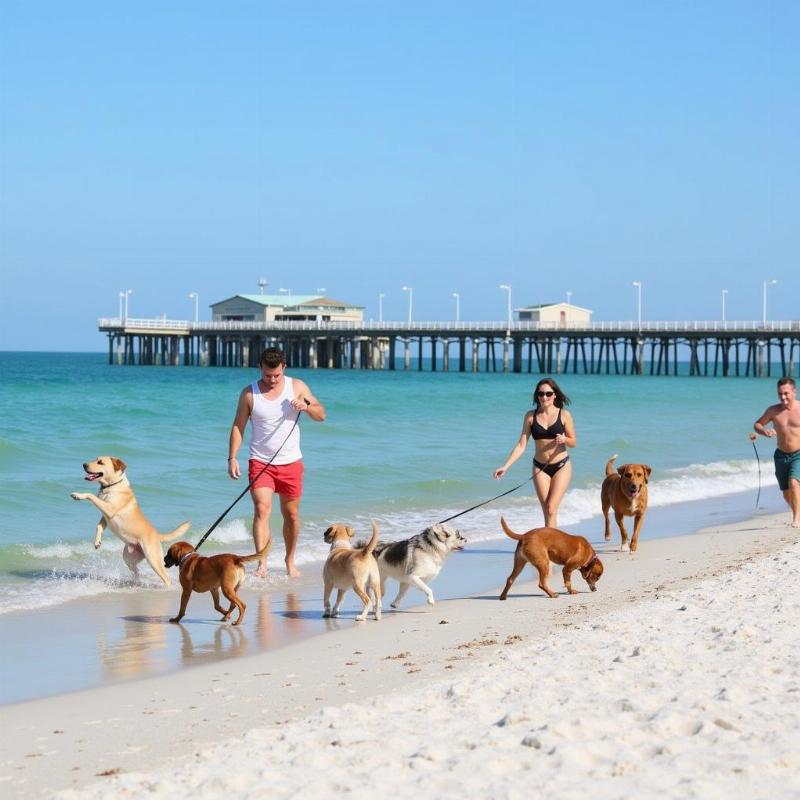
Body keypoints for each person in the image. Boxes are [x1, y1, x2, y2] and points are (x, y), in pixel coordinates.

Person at [228, 347, 325, 577]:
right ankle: (262, 564)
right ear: (260, 368)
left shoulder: (298, 387)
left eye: (276, 375)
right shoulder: (249, 394)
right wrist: (232, 457)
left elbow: (322, 415)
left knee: (290, 514)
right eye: (267, 375)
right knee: (262, 509)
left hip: (291, 462)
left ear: (284, 368)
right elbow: (238, 426)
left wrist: (307, 406)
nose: (272, 380)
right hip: (260, 461)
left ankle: (290, 561)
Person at [493, 377, 576, 528]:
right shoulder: (530, 416)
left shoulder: (564, 415)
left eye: (548, 394)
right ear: (537, 396)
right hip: (540, 468)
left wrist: (565, 439)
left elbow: (574, 442)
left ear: (555, 395)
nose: (544, 397)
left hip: (561, 466)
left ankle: (551, 547)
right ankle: (550, 546)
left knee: (551, 508)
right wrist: (505, 466)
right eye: (541, 394)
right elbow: (521, 445)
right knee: (547, 511)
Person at [753, 376, 800, 528]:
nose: (783, 397)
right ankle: (797, 512)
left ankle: (796, 520)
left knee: (794, 483)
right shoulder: (773, 410)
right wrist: (763, 432)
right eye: (780, 394)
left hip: (798, 454)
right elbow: (758, 424)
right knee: (786, 493)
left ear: (794, 392)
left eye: (786, 393)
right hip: (780, 456)